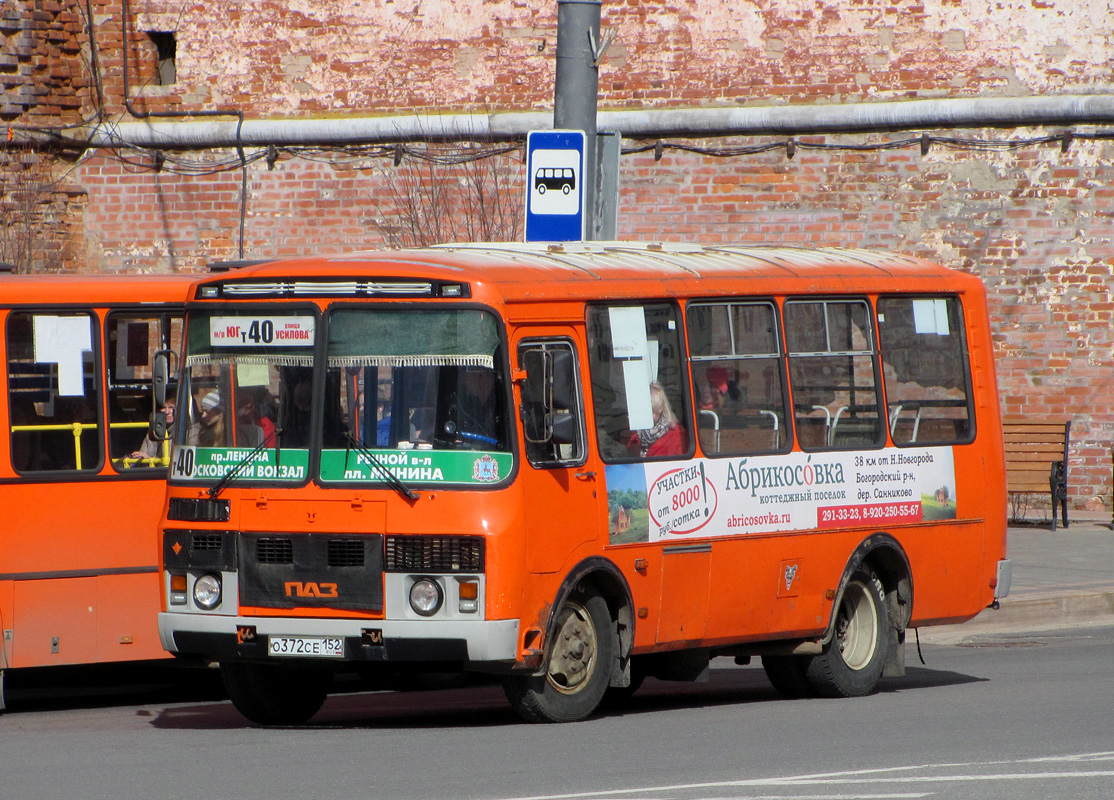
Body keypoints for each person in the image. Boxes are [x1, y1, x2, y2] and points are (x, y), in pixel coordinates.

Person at [628, 382, 685, 457]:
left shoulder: (679, 435)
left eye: (650, 411)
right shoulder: (636, 437)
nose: (646, 416)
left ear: (660, 408)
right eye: (642, 411)